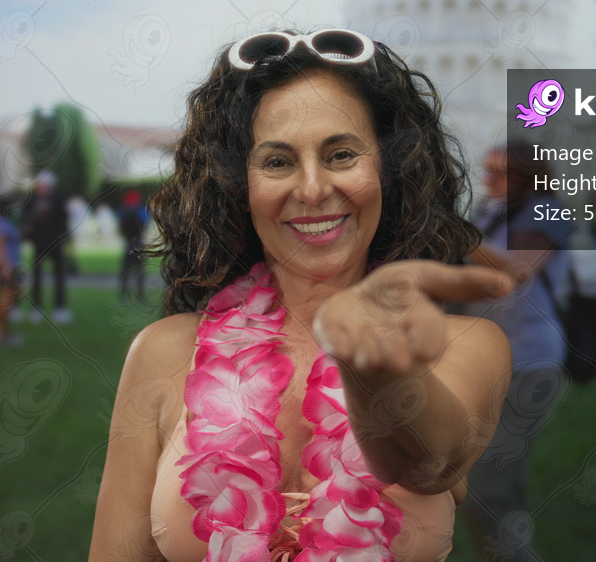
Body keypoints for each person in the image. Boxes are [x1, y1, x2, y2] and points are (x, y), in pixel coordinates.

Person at [89, 29, 515, 562]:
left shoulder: (468, 343)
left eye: (341, 154)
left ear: (389, 169)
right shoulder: (162, 352)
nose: (312, 189)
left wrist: (372, 364)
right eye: (277, 161)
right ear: (238, 185)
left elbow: (432, 464)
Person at [461, 143, 571, 562]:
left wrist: (456, 231)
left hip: (527, 362)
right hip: (488, 360)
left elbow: (516, 270)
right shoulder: (493, 211)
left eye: (499, 172)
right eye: (486, 170)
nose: (487, 179)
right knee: (493, 483)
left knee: (485, 488)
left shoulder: (547, 212)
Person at [21, 170, 72, 324]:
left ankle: (60, 308)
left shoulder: (58, 199)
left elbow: (63, 221)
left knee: (59, 276)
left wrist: (66, 239)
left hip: (55, 242)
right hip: (39, 242)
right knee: (37, 276)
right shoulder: (32, 199)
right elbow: (26, 220)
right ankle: (36, 308)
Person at [0, 197, 24, 345]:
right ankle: (2, 334)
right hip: (6, 267)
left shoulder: (3, 222)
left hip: (10, 265)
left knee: (9, 299)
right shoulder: (1, 224)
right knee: (5, 302)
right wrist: (5, 268)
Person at [118, 189, 148, 299]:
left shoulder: (123, 212)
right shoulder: (140, 211)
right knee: (139, 272)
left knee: (126, 272)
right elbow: (145, 223)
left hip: (128, 244)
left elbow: (120, 227)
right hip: (138, 244)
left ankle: (123, 293)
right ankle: (141, 294)